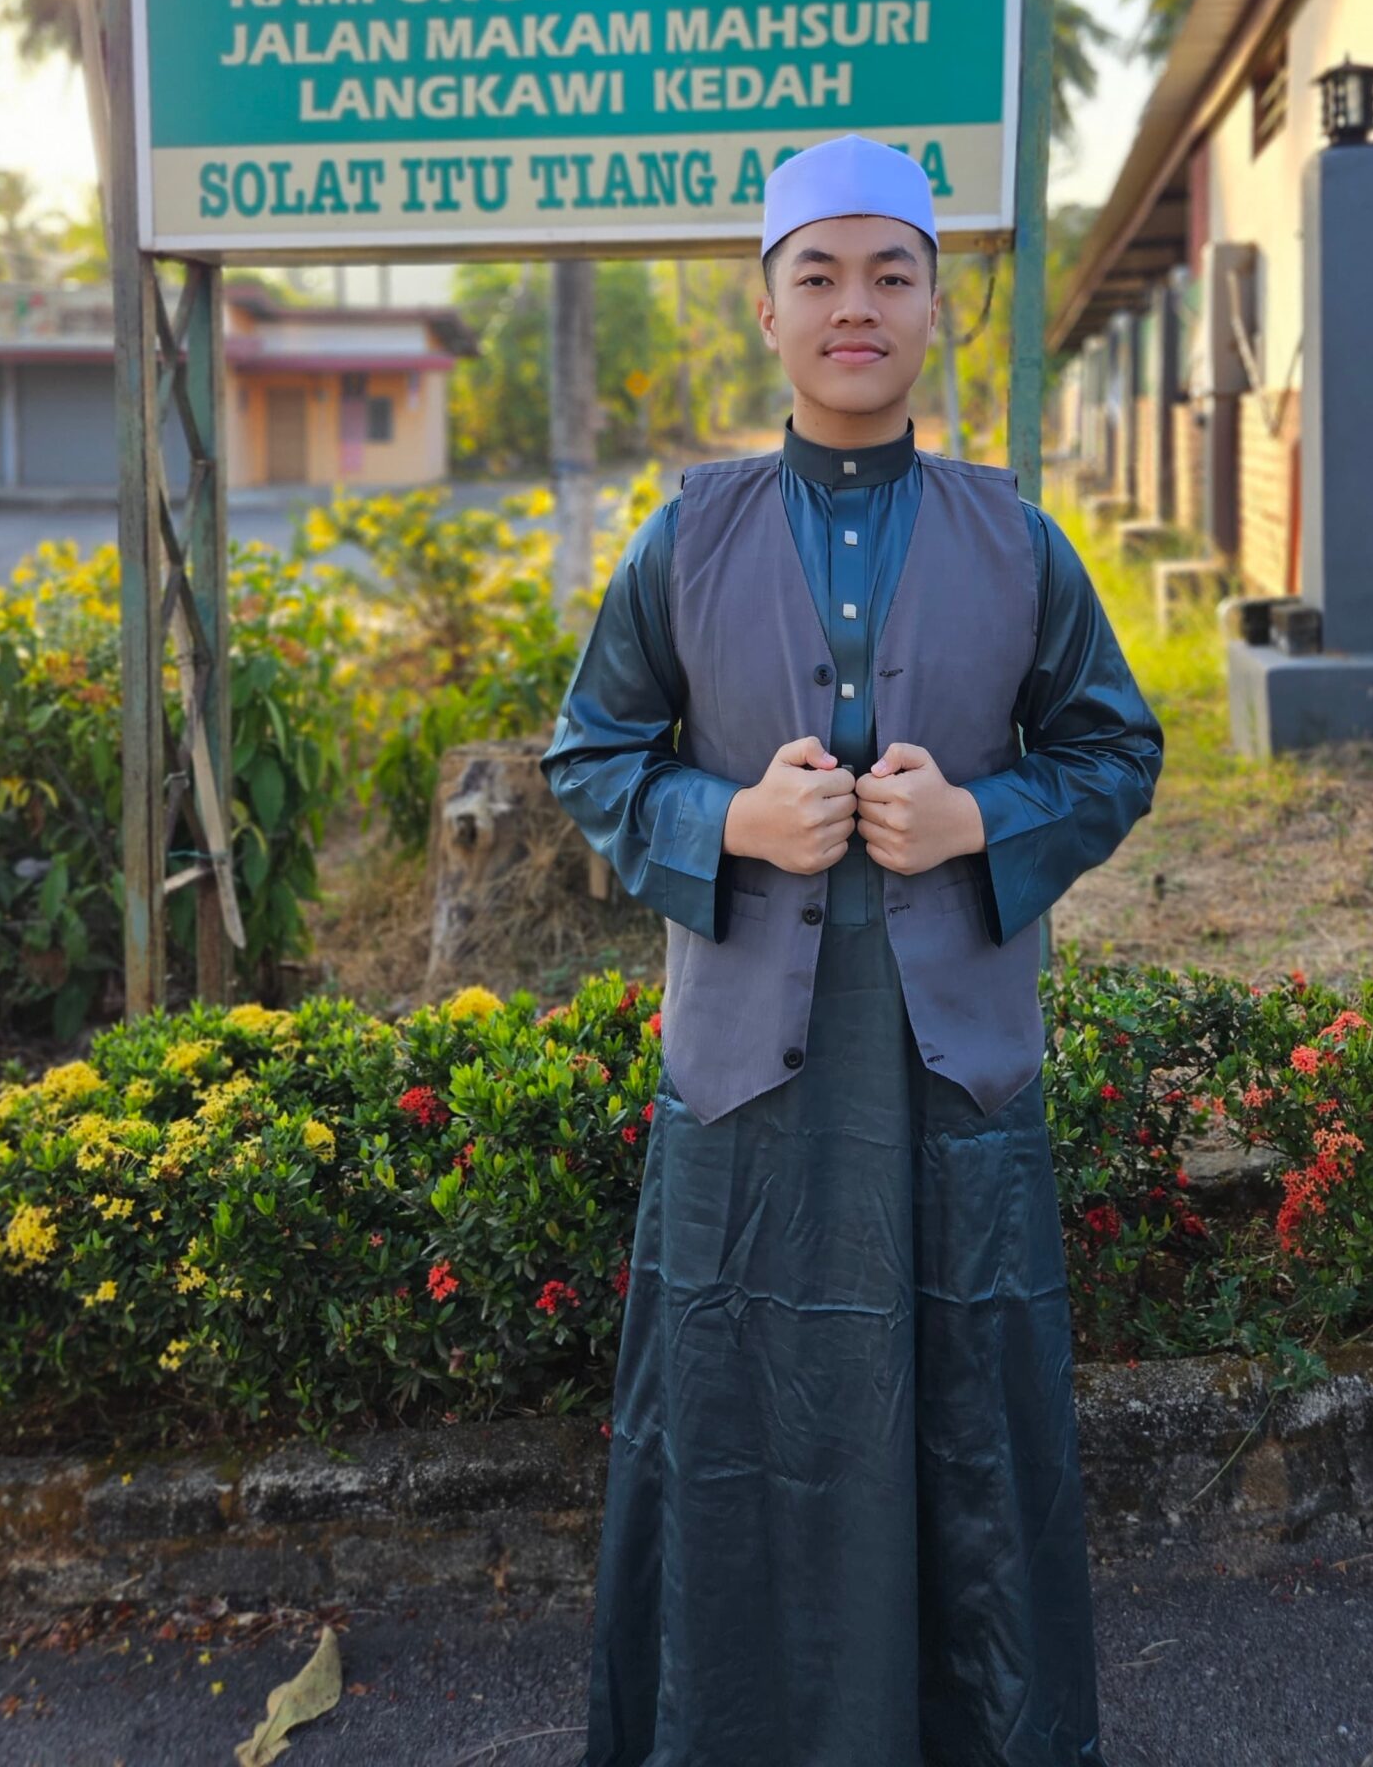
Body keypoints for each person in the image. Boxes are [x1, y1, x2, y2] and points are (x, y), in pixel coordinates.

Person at [543, 132, 1163, 1767]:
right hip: (748, 1086)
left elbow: (1114, 754)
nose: (855, 306)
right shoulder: (689, 536)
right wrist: (725, 826)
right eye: (818, 274)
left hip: (956, 1078)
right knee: (743, 1431)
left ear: (939, 308)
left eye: (891, 272)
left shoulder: (1016, 539)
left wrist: (984, 826)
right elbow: (592, 754)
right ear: (764, 309)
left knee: (971, 1435)